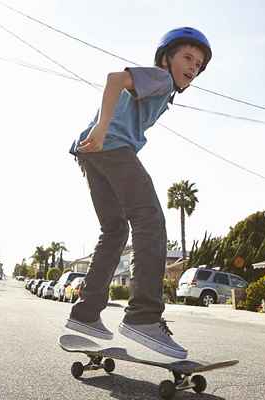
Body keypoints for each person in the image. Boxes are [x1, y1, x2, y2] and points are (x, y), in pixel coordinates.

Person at [65, 27, 212, 359]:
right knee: (150, 221)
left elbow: (120, 97)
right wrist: (102, 129)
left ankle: (86, 314)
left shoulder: (162, 89)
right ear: (166, 58)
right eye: (187, 57)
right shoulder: (159, 78)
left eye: (199, 64)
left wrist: (98, 132)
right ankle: (143, 318)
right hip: (111, 146)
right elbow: (115, 79)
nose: (193, 67)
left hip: (91, 152)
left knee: (115, 230)